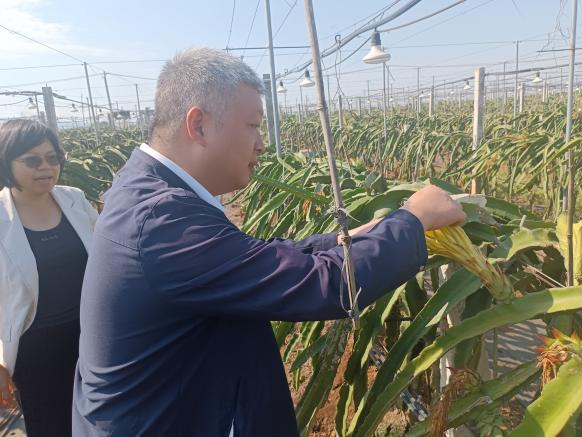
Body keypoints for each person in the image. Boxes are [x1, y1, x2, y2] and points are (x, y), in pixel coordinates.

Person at [73, 48, 465, 437]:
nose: (261, 143)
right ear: (199, 125)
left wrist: (345, 238)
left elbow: (250, 260)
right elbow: (323, 284)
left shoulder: (147, 190)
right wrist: (414, 220)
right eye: (253, 126)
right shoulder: (161, 220)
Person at [0, 119, 98, 436]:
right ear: (6, 162)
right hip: (35, 349)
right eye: (32, 160)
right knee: (52, 425)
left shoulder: (75, 200)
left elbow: (106, 259)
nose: (46, 167)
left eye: (52, 158)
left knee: (101, 418)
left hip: (92, 335)